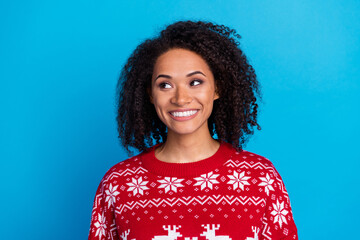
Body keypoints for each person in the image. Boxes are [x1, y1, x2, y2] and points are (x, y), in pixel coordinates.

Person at [88, 20, 298, 240]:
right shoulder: (118, 184)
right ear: (150, 94)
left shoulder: (260, 178)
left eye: (195, 82)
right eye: (165, 85)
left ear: (217, 88)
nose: (181, 99)